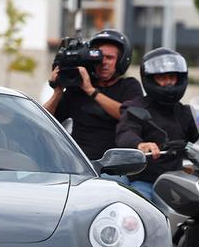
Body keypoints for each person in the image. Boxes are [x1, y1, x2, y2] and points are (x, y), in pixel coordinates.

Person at [114, 48, 199, 200]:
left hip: (177, 180)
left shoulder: (185, 112)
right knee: (141, 205)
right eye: (162, 77)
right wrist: (141, 145)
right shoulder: (135, 108)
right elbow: (125, 133)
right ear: (150, 79)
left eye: (172, 77)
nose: (168, 83)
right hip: (145, 181)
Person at [43, 29, 142, 160]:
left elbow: (128, 114)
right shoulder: (77, 88)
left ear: (120, 60)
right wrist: (58, 92)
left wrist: (91, 91)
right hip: (78, 163)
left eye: (110, 58)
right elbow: (44, 120)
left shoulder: (129, 86)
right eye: (99, 57)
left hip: (113, 166)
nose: (104, 62)